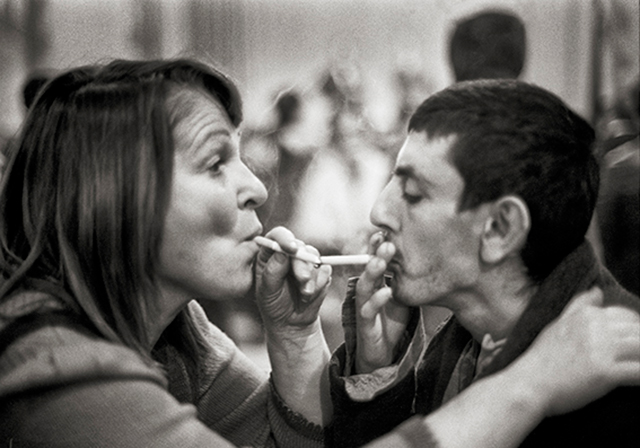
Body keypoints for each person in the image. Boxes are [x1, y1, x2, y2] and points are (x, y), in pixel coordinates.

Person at [0, 59, 638, 448]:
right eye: (216, 161)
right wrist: (526, 387)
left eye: (410, 191)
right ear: (117, 197)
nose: (256, 185)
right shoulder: (51, 362)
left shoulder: (178, 332)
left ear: (499, 231)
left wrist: (295, 332)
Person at [328, 79, 640, 447]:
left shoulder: (615, 373)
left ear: (500, 229)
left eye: (413, 194)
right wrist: (376, 373)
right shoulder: (465, 341)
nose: (378, 211)